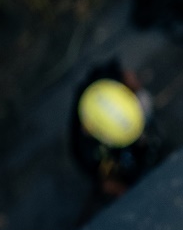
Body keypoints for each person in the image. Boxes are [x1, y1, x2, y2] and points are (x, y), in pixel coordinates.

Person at [68, 62, 159, 203]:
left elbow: (123, 73)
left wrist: (134, 86)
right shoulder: (86, 154)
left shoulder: (103, 80)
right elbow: (106, 183)